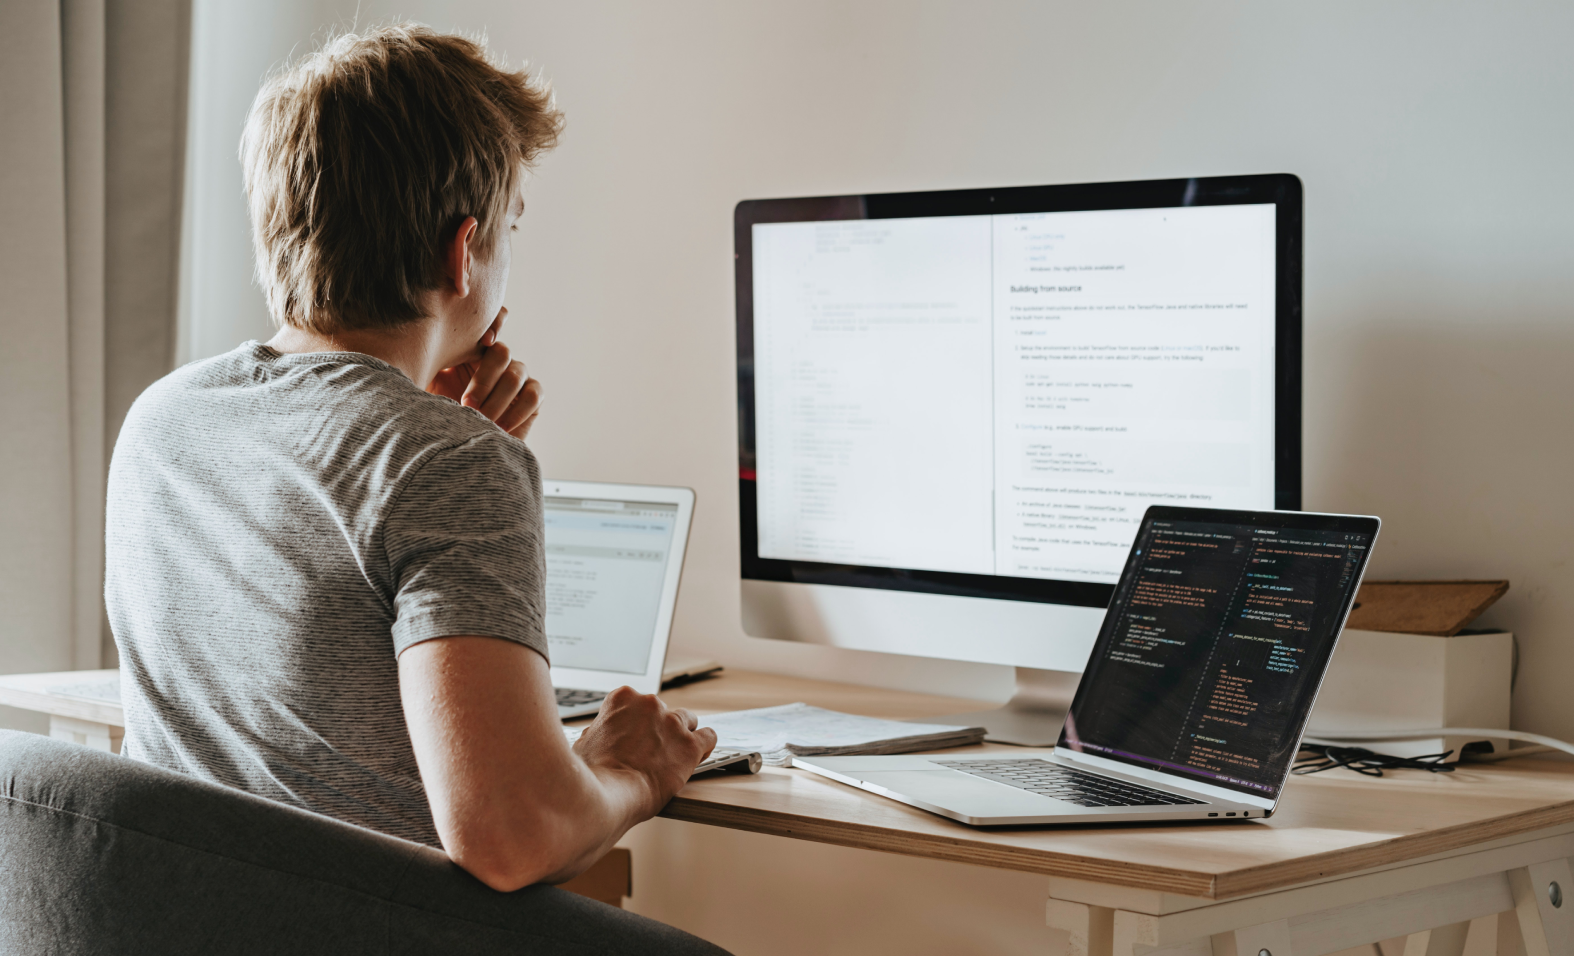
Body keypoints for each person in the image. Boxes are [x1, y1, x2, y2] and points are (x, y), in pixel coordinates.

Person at [104, 23, 725, 952]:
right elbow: (510, 837)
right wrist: (627, 769)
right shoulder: (444, 461)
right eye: (509, 229)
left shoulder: (164, 418)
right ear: (463, 251)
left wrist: (438, 430)